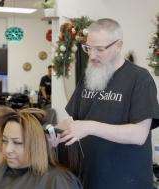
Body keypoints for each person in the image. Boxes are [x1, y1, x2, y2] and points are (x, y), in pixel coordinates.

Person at [53, 18, 159, 189]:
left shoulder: (139, 79)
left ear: (118, 45)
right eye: (88, 48)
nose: (92, 55)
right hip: (88, 178)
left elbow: (139, 134)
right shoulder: (89, 77)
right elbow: (76, 122)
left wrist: (90, 127)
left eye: (100, 49)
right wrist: (55, 132)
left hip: (126, 181)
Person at [0, 108, 82, 189]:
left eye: (17, 142)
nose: (8, 150)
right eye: (4, 140)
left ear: (36, 144)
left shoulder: (58, 181)